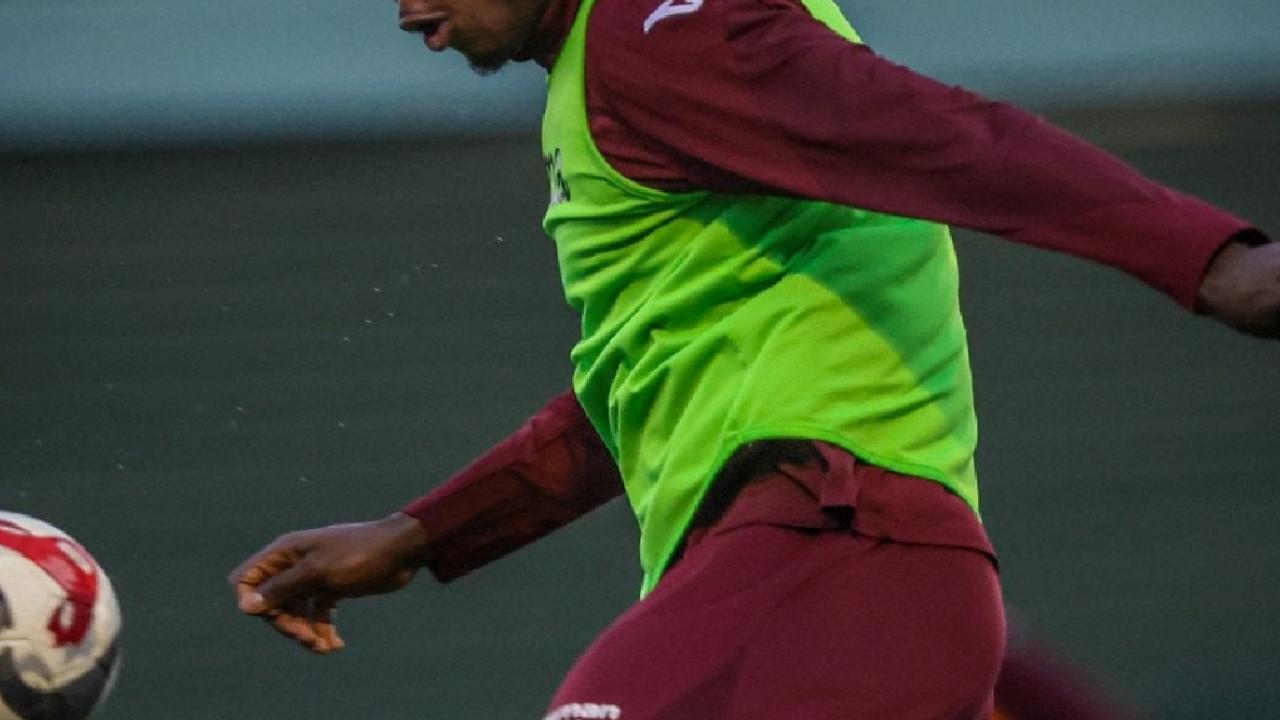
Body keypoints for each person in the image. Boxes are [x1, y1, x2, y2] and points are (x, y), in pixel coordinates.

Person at [229, 0, 1280, 716]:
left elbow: (938, 132)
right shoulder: (620, 67)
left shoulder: (658, 29)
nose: (405, 11)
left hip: (837, 563)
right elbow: (637, 379)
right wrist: (419, 536)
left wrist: (1209, 259)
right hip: (826, 585)